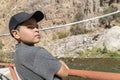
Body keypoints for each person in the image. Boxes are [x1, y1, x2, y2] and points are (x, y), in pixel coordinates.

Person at [9, 11, 69, 80]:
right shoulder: (37, 52)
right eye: (30, 27)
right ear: (16, 34)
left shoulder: (18, 52)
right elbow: (65, 73)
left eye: (37, 27)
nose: (36, 30)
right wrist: (60, 62)